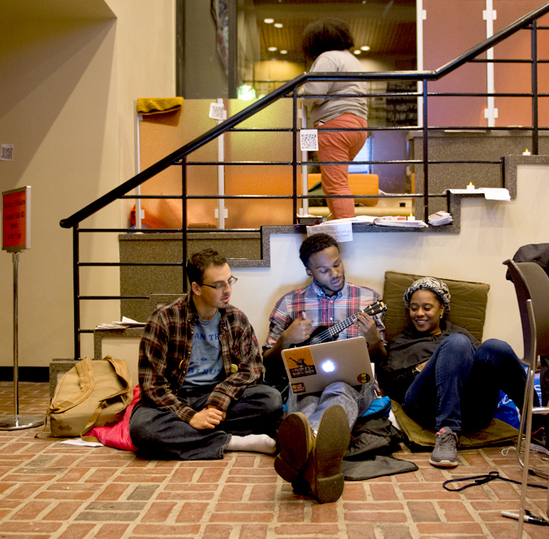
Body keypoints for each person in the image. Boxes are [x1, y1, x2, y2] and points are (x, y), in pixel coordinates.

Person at [262, 233, 385, 503]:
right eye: (324, 269)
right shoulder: (290, 303)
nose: (335, 273)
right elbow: (267, 364)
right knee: (306, 399)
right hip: (305, 383)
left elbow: (381, 359)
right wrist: (286, 340)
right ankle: (320, 464)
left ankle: (303, 447)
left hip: (354, 384)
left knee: (339, 388)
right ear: (309, 271)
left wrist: (373, 339)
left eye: (338, 264)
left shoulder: (368, 299)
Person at [129, 249, 283, 460]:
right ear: (196, 288)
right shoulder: (163, 320)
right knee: (142, 429)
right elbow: (152, 386)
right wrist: (191, 417)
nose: (227, 290)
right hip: (174, 399)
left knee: (270, 400)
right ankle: (232, 442)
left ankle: (186, 438)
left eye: (229, 281)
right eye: (218, 285)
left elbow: (252, 370)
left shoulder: (236, 319)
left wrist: (219, 399)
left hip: (216, 398)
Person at [375, 277, 537, 468]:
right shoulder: (401, 341)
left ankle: (540, 420)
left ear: (442, 309)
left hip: (472, 410)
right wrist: (418, 370)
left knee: (495, 347)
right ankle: (447, 433)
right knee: (456, 342)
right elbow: (390, 385)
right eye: (414, 308)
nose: (419, 313)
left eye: (427, 308)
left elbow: (482, 369)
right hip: (425, 408)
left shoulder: (461, 334)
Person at [299, 18, 368, 220]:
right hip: (357, 125)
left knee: (336, 185)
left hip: (334, 125)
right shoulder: (352, 60)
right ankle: (338, 225)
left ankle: (344, 236)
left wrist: (300, 91)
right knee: (333, 182)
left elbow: (313, 93)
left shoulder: (328, 58)